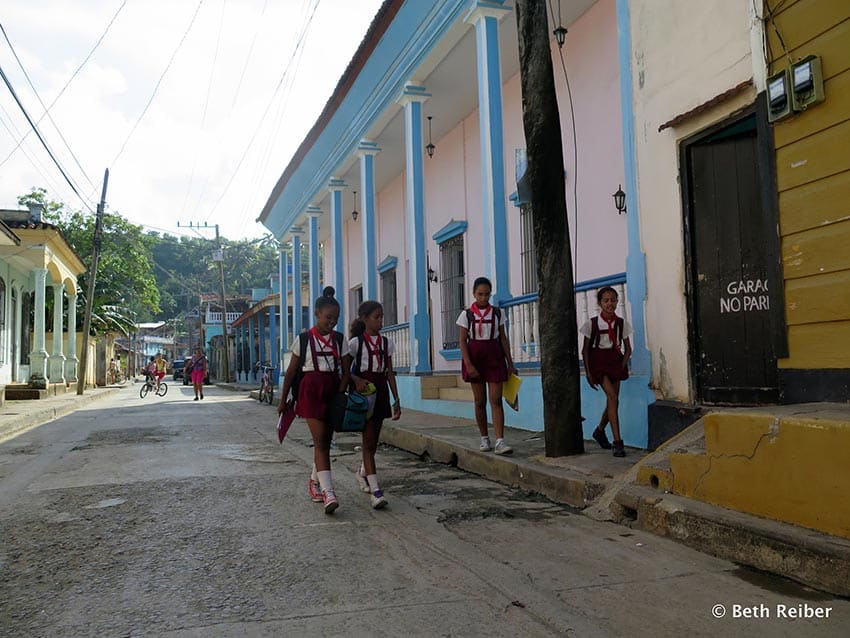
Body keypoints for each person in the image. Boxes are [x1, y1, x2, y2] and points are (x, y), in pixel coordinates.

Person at [277, 288, 350, 514]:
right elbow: (290, 373)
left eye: (336, 319)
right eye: (328, 317)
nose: (332, 322)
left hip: (332, 391)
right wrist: (283, 400)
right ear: (317, 314)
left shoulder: (340, 340)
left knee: (326, 441)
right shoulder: (304, 339)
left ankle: (314, 480)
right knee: (320, 441)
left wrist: (340, 393)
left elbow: (347, 371)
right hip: (310, 391)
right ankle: (329, 493)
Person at [346, 300, 401, 510]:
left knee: (373, 440)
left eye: (381, 317)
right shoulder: (355, 344)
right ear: (364, 318)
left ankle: (362, 472)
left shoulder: (387, 343)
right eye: (376, 317)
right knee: (368, 441)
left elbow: (389, 372)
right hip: (363, 392)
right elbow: (345, 371)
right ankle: (376, 490)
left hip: (380, 391)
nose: (380, 321)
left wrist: (396, 399)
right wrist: (355, 380)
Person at [457, 277, 517, 455]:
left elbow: (503, 339)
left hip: (494, 357)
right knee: (479, 401)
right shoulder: (466, 315)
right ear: (474, 294)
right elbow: (462, 341)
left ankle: (500, 441)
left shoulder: (497, 313)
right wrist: (468, 364)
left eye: (487, 294)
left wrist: (510, 363)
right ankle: (484, 438)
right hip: (475, 357)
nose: (483, 298)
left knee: (496, 400)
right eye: (480, 294)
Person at [580, 286, 633, 458]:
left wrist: (622, 365)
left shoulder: (621, 323)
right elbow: (585, 350)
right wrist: (588, 373)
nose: (610, 303)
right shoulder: (592, 323)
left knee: (613, 401)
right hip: (599, 362)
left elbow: (628, 348)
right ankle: (618, 443)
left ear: (617, 301)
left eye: (613, 300)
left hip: (614, 362)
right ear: (600, 303)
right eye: (606, 300)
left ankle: (599, 430)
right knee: (612, 397)